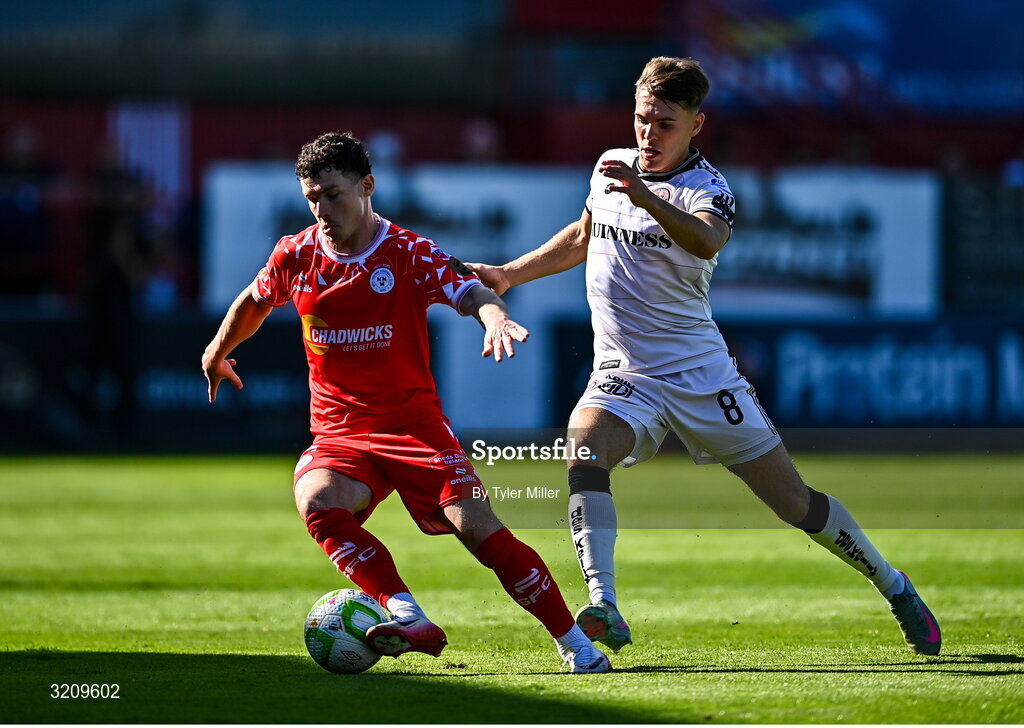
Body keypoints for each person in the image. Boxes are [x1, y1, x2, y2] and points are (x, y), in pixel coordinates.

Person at [468, 57, 941, 657]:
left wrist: (644, 193)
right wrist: (510, 274)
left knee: (794, 503)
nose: (649, 134)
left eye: (666, 123)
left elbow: (705, 238)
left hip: (701, 376)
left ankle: (895, 586)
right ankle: (605, 604)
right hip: (625, 372)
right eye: (642, 119)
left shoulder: (709, 190)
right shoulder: (609, 169)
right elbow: (585, 234)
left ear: (697, 125)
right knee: (583, 446)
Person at [201, 131, 610, 673]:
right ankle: (405, 611)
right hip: (341, 432)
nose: (322, 209)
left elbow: (471, 292)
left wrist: (496, 318)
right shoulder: (295, 254)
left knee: (480, 533)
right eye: (313, 198)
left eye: (333, 194)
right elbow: (255, 301)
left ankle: (575, 645)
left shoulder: (409, 252)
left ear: (367, 186)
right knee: (317, 500)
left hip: (414, 426)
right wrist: (217, 350)